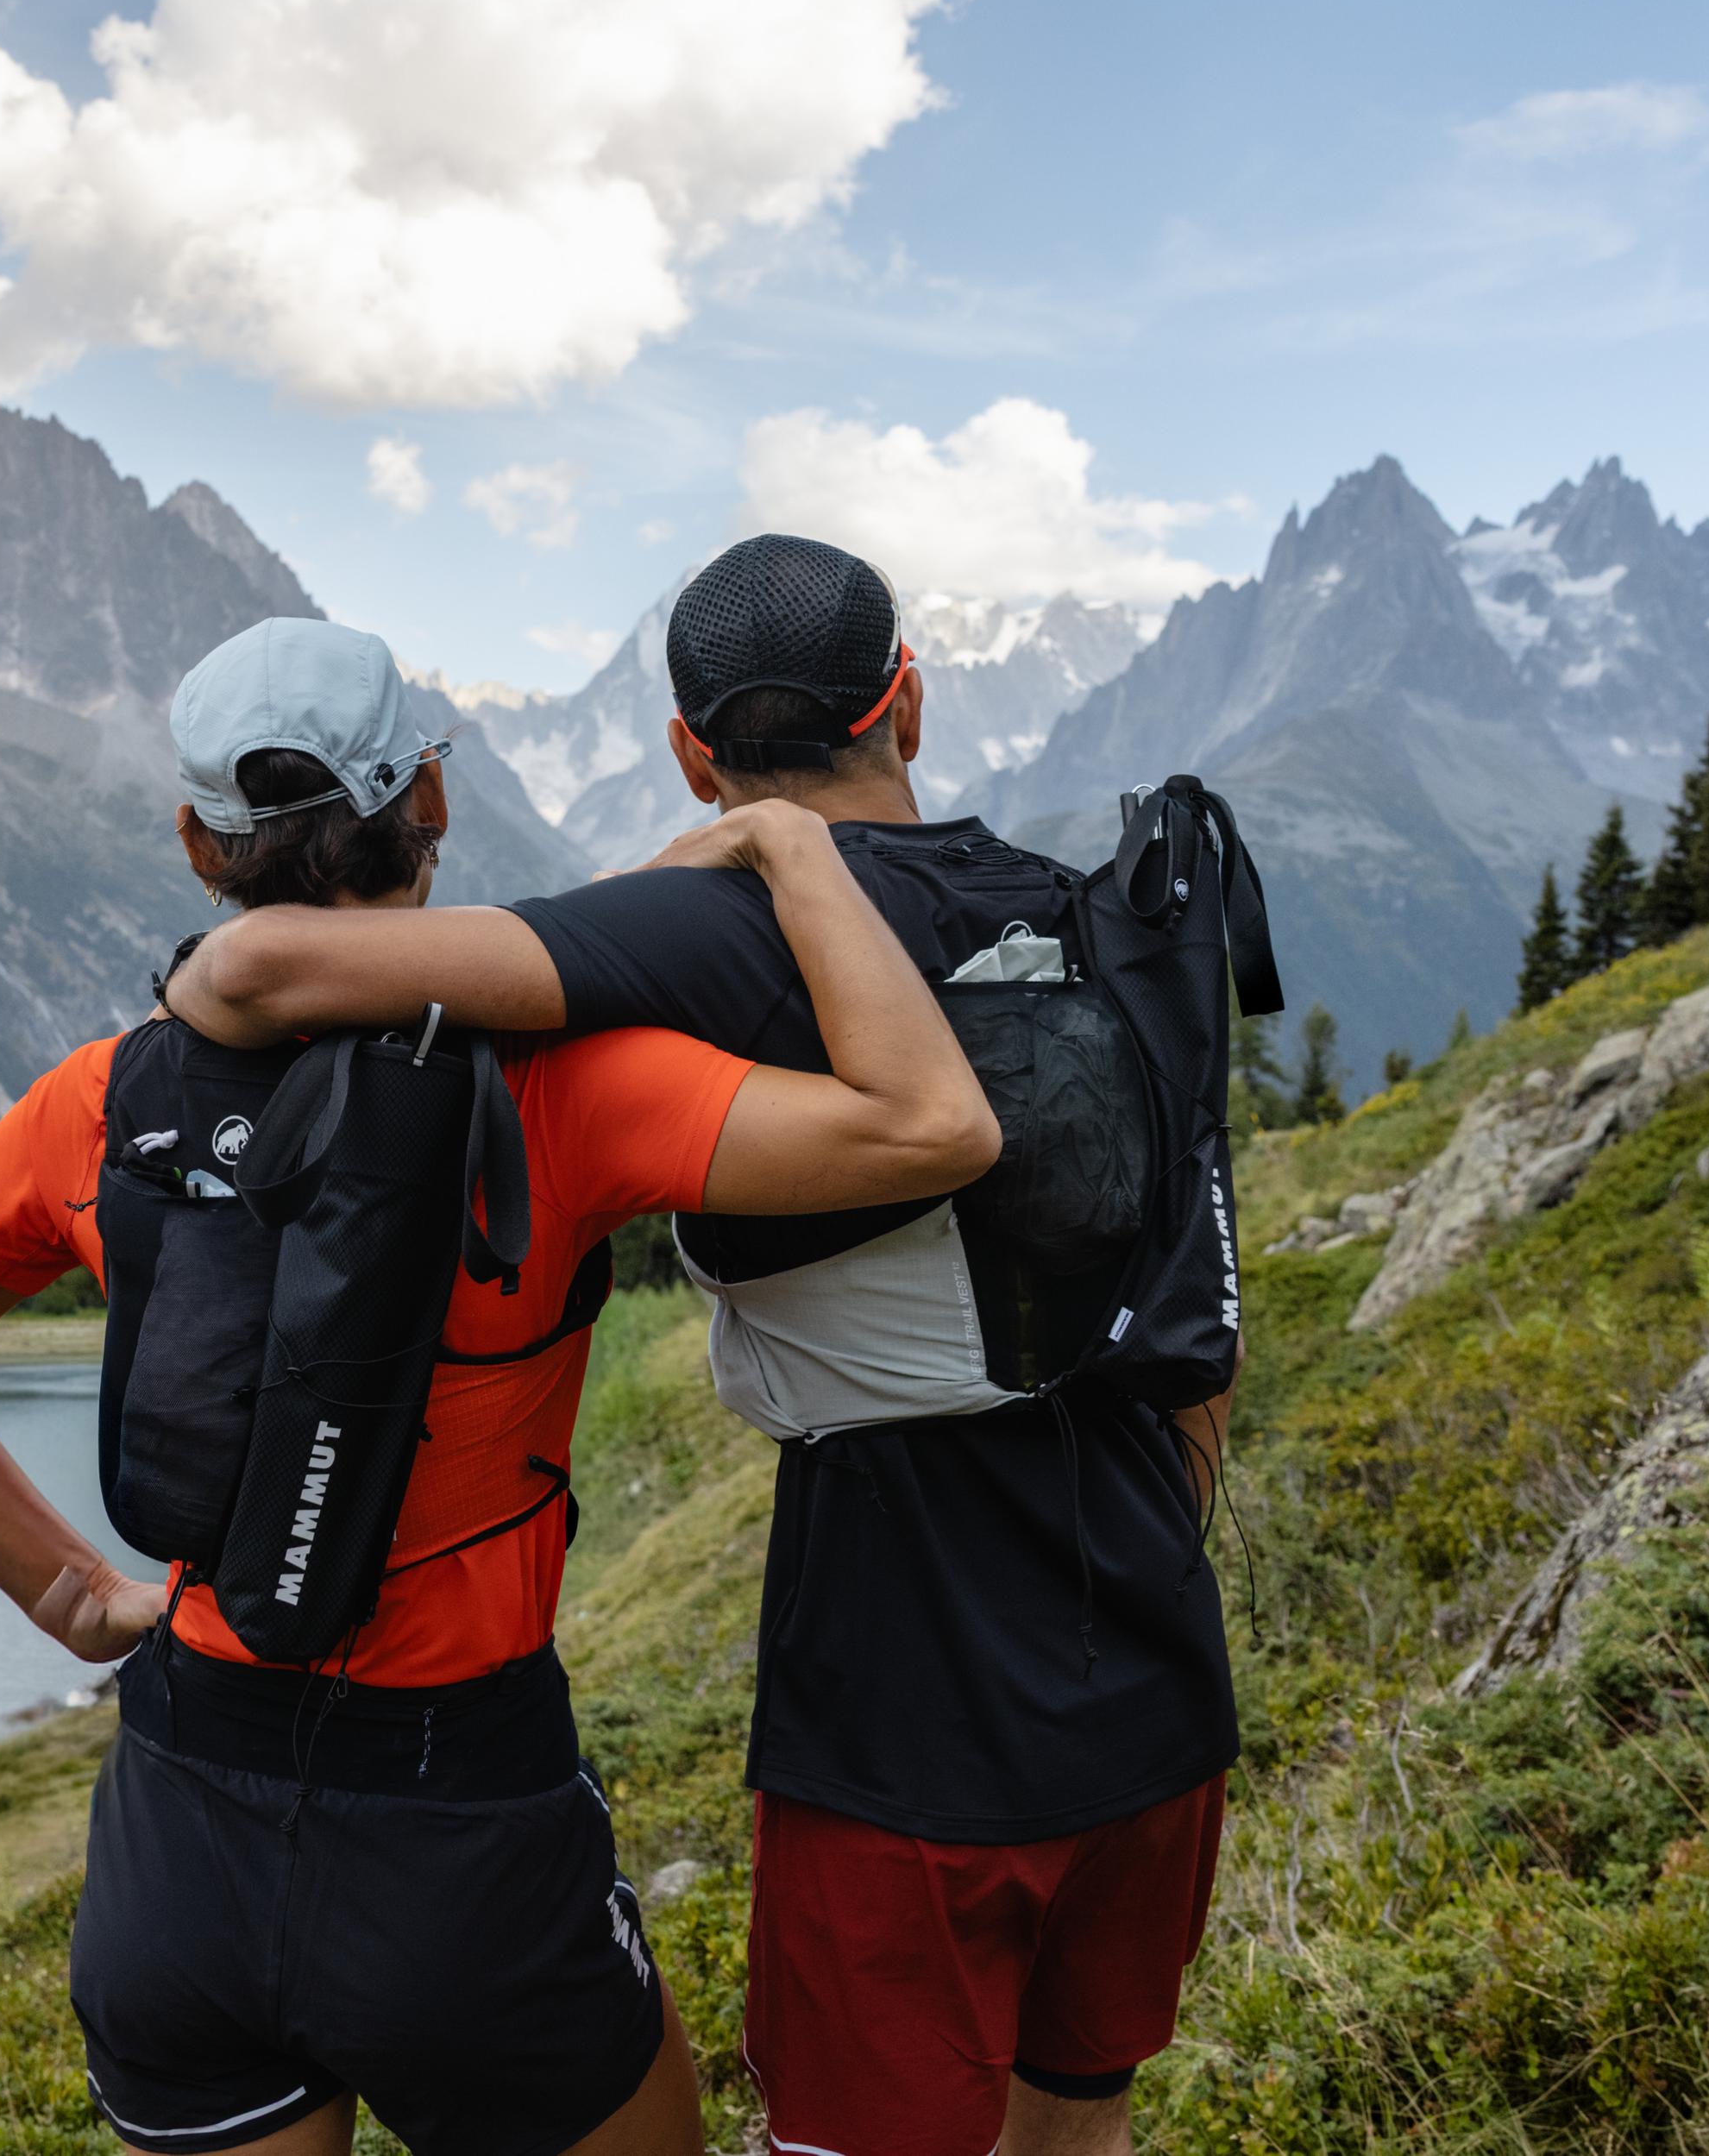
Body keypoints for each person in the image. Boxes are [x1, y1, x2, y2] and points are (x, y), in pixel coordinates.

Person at [0, 615, 1002, 2156]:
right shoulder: (560, 1085)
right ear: (429, 805)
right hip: (463, 1832)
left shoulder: (99, 1105)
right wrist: (785, 853)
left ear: (193, 844)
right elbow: (930, 1127)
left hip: (180, 1828)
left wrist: (79, 1603)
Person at [169, 541, 1238, 2156]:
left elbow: (252, 973)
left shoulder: (719, 934)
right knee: (1078, 2125)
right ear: (911, 705)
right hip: (1158, 1665)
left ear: (690, 753)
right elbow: (1198, 1324)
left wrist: (751, 866)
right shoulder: (1098, 915)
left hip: (902, 1694)